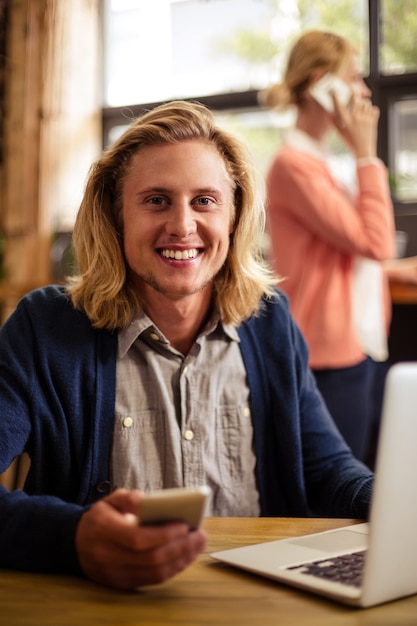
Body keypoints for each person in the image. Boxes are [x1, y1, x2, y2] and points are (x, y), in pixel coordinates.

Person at [0, 100, 373, 591]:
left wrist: (388, 502)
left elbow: (325, 465)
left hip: (261, 603)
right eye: (156, 200)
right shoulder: (45, 327)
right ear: (116, 217)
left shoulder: (270, 322)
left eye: (205, 200)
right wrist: (72, 537)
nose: (182, 225)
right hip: (107, 604)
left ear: (234, 216)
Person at [262, 30, 397, 467]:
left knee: (369, 485)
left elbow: (359, 260)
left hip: (360, 345)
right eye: (354, 78)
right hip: (328, 357)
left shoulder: (321, 162)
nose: (363, 92)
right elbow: (374, 242)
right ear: (323, 83)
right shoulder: (292, 165)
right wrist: (365, 153)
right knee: (340, 498)